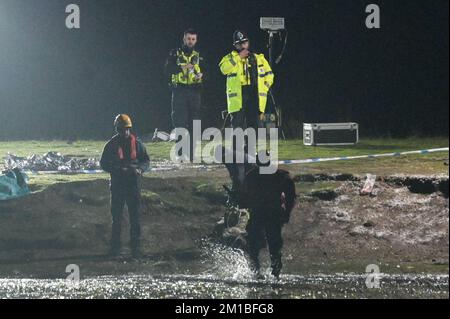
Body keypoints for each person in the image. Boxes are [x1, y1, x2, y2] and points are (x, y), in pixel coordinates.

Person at [219, 31, 274, 190]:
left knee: (254, 127)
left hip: (255, 96)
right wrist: (238, 57)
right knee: (237, 128)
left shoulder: (259, 58)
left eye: (245, 42)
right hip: (238, 99)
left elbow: (270, 75)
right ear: (235, 45)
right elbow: (223, 68)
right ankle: (237, 156)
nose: (243, 45)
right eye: (239, 43)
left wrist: (266, 84)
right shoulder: (230, 57)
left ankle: (250, 155)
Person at [100, 114, 150, 258]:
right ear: (117, 129)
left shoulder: (138, 143)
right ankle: (115, 248)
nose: (125, 132)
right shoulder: (111, 145)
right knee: (117, 217)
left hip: (133, 183)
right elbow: (103, 163)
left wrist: (140, 169)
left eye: (127, 129)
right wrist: (117, 170)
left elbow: (145, 160)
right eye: (122, 129)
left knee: (135, 217)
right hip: (118, 184)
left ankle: (136, 248)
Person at [165, 28, 204, 161]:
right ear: (184, 39)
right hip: (179, 91)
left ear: (196, 40)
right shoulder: (175, 53)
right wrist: (182, 67)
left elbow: (208, 72)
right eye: (188, 39)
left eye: (193, 39)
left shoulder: (199, 54)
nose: (190, 41)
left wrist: (202, 75)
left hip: (194, 91)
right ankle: (180, 154)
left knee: (195, 124)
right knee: (179, 123)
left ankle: (192, 154)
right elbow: (167, 70)